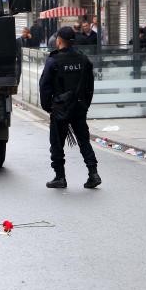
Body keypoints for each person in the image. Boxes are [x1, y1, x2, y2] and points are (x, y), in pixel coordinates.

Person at [39, 26, 101, 189]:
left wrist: (48, 107)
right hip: (79, 106)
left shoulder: (53, 60)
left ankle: (60, 177)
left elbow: (45, 86)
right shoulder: (84, 59)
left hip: (60, 108)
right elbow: (90, 86)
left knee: (57, 143)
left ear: (59, 40)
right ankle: (93, 173)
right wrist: (85, 104)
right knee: (84, 141)